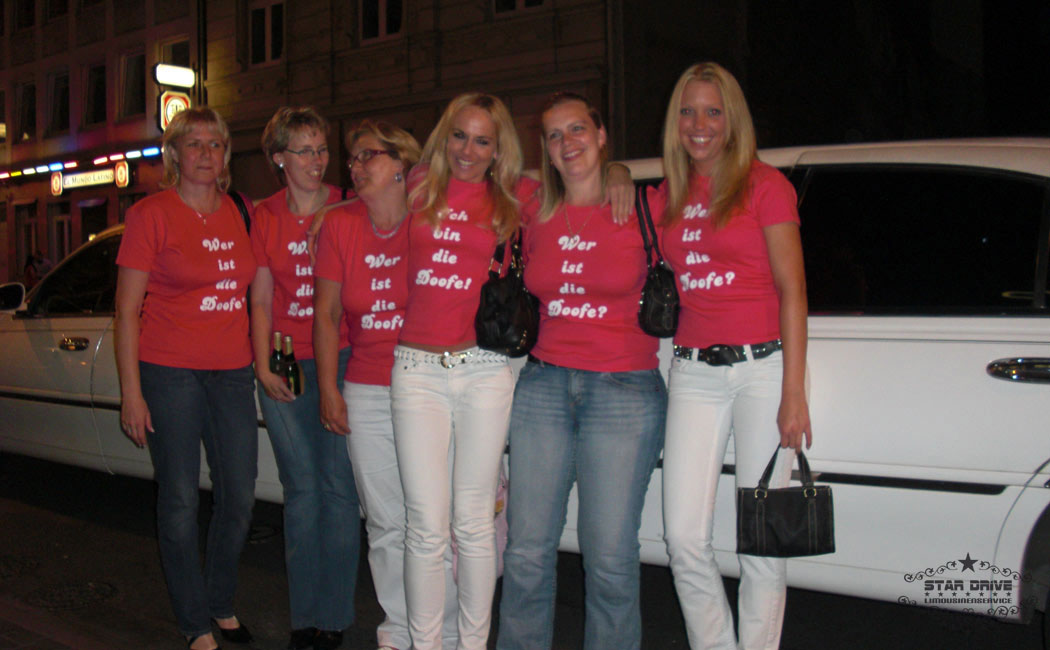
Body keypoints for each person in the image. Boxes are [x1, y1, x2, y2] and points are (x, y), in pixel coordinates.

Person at [495, 92, 666, 650]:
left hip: (623, 391)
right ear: (545, 148)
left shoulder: (645, 207)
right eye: (554, 135)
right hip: (543, 385)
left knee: (609, 555)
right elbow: (445, 172)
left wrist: (621, 172)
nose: (567, 143)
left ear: (601, 135)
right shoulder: (533, 205)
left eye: (578, 130)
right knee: (525, 549)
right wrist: (331, 208)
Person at [655, 62, 813, 650]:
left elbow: (793, 290)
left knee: (762, 541)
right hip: (693, 370)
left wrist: (793, 392)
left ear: (733, 120)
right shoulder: (666, 195)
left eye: (713, 111)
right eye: (687, 111)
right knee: (683, 538)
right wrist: (617, 171)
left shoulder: (765, 186)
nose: (699, 124)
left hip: (762, 372)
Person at [389, 92, 538, 650]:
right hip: (416, 371)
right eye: (459, 136)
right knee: (425, 525)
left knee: (474, 523)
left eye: (481, 141)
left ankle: (473, 645)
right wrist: (324, 219)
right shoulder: (418, 185)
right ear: (443, 137)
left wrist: (617, 172)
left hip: (484, 369)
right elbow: (359, 199)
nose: (468, 151)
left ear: (498, 149)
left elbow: (584, 188)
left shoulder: (517, 197)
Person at [114, 107, 258, 650]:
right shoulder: (150, 214)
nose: (205, 153)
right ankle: (195, 622)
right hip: (169, 371)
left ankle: (220, 601)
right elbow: (126, 310)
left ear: (226, 154)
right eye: (193, 143)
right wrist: (132, 394)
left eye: (214, 144)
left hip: (232, 371)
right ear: (174, 153)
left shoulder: (241, 210)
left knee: (239, 496)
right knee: (179, 499)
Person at [314, 120, 458, 650]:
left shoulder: (433, 217)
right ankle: (399, 628)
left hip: (430, 386)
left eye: (367, 156)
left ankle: (444, 630)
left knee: (434, 520)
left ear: (402, 164)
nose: (354, 166)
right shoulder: (339, 224)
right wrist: (328, 389)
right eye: (351, 158)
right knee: (384, 522)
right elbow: (327, 314)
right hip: (368, 387)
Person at [250, 106, 360, 650]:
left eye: (321, 150)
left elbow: (411, 179)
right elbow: (261, 298)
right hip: (286, 360)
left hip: (343, 357)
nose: (317, 161)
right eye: (304, 151)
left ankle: (333, 618)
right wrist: (261, 364)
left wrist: (335, 212)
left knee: (339, 489)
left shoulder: (350, 201)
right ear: (279, 159)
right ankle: (304, 618)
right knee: (302, 490)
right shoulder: (265, 215)